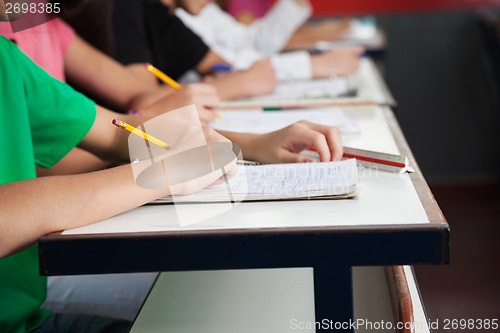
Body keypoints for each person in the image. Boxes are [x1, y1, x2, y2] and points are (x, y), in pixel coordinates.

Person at [0, 31, 343, 332]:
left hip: (28, 318)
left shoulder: (7, 59)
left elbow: (117, 131)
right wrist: (163, 174)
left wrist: (252, 143)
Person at [175, 1, 363, 82]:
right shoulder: (169, 15)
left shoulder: (202, 9)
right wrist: (311, 65)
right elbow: (224, 63)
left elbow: (249, 42)